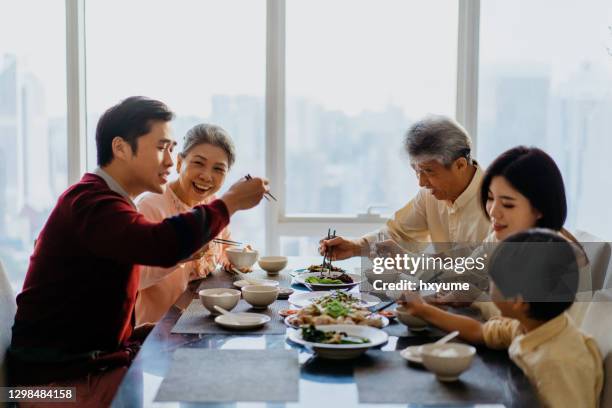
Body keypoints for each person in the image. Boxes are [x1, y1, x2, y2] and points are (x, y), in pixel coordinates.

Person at [8, 96, 268, 406]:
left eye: (172, 150)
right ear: (120, 147)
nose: (171, 163)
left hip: (89, 365)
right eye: (162, 148)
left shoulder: (106, 202)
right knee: (229, 390)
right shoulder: (92, 203)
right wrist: (231, 201)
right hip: (58, 385)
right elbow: (160, 245)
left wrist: (137, 335)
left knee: (231, 381)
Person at [399, 230, 603, 408]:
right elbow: (478, 331)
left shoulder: (559, 363)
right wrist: (422, 309)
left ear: (517, 301)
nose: (488, 286)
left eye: (492, 280)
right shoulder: (529, 326)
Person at [430, 147, 592, 324]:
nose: (493, 212)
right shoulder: (501, 238)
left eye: (507, 204)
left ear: (539, 209)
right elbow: (463, 274)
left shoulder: (564, 258)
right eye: (490, 198)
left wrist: (477, 298)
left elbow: (540, 327)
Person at [319, 115, 491, 260]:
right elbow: (397, 234)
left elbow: (483, 279)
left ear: (460, 165)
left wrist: (408, 263)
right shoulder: (429, 196)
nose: (421, 183)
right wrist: (355, 247)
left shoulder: (498, 203)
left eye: (429, 171)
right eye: (416, 171)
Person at [135, 123, 236, 325]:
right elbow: (135, 279)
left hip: (205, 322)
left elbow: (224, 251)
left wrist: (235, 259)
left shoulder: (213, 206)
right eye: (199, 163)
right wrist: (180, 253)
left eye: (218, 169)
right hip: (156, 331)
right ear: (180, 163)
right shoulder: (150, 207)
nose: (207, 176)